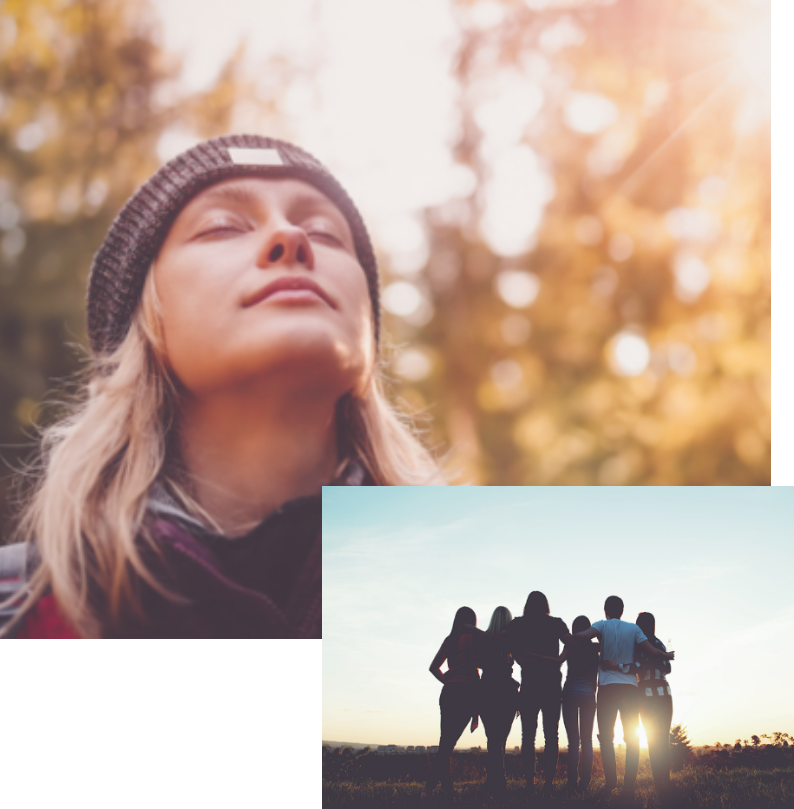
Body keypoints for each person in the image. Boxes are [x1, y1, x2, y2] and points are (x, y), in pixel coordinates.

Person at [0, 134, 443, 639]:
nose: (291, 237)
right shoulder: (20, 615)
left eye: (324, 233)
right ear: (145, 324)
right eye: (222, 227)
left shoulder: (472, 590)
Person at [573, 595, 674, 799]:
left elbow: (584, 636)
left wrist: (574, 636)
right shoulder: (634, 630)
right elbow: (652, 653)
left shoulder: (602, 625)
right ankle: (629, 786)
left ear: (605, 611)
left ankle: (611, 782)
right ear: (622, 610)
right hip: (630, 689)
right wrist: (664, 656)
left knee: (607, 739)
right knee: (632, 739)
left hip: (608, 688)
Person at [504, 591, 573, 797]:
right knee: (552, 736)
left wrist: (526, 658)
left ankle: (530, 783)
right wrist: (559, 659)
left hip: (530, 685)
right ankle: (549, 783)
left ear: (527, 604)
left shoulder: (518, 624)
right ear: (545, 604)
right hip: (551, 685)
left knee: (528, 738)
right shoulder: (556, 623)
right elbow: (570, 642)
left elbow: (512, 650)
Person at [423, 607, 482, 798]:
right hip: (467, 692)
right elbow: (477, 669)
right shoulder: (473, 638)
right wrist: (476, 713)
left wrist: (448, 681)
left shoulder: (449, 641)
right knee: (448, 743)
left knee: (445, 742)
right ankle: (429, 789)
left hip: (448, 693)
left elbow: (434, 668)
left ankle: (445, 788)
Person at [477, 606, 520, 795]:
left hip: (487, 690)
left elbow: (477, 663)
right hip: (507, 692)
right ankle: (498, 780)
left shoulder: (482, 640)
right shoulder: (513, 639)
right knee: (500, 739)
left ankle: (495, 780)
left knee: (492, 739)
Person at [633, 612, 674, 801]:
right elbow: (666, 666)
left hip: (648, 695)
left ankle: (661, 780)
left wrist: (651, 659)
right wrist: (659, 658)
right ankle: (663, 779)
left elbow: (639, 667)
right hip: (663, 693)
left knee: (654, 739)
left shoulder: (637, 645)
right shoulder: (659, 645)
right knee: (661, 738)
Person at [561, 615, 599, 793]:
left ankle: (571, 781)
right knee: (587, 741)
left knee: (573, 742)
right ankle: (585, 781)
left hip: (569, 693)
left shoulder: (570, 645)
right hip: (588, 696)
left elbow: (559, 661)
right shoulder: (596, 648)